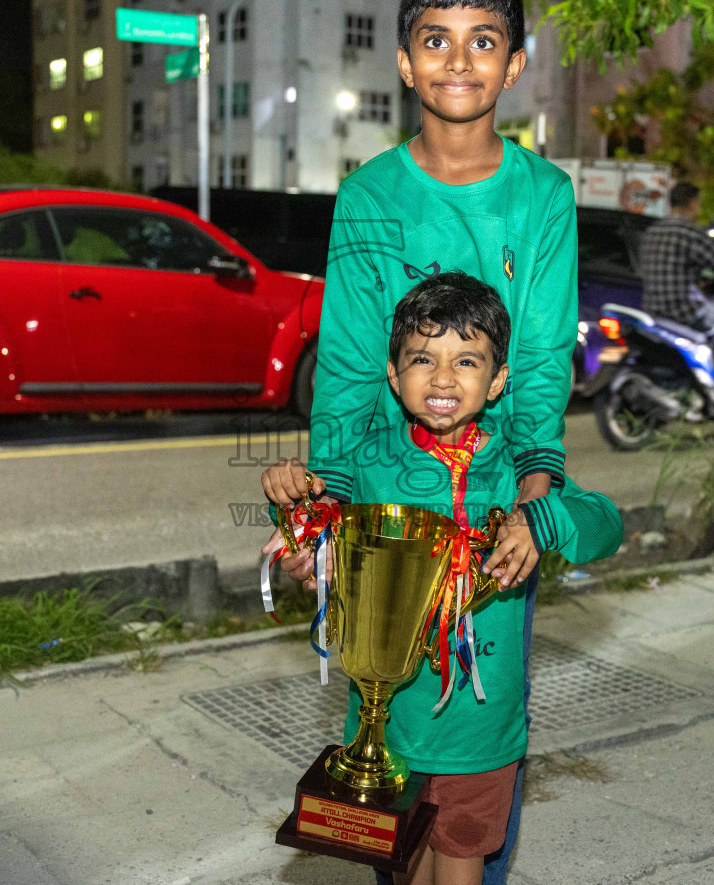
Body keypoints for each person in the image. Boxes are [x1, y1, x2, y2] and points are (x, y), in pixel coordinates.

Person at [263, 274, 623, 885]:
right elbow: (315, 532)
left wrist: (544, 519)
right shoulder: (369, 465)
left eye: (467, 361)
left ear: (498, 380)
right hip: (388, 728)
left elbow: (607, 526)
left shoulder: (516, 472)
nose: (444, 378)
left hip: (480, 733)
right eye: (423, 358)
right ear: (394, 374)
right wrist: (288, 497)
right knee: (403, 868)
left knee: (459, 864)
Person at [640, 182, 714, 378]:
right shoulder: (689, 231)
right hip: (686, 311)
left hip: (652, 310)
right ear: (692, 203)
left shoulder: (651, 231)